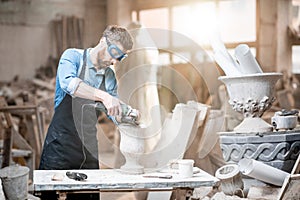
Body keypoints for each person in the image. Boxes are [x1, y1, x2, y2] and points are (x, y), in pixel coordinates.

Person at [38, 25, 134, 199]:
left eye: (119, 57)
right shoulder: (72, 57)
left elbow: (113, 110)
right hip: (61, 146)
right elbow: (71, 85)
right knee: (52, 194)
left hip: (88, 149)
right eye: (113, 53)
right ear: (103, 41)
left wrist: (129, 115)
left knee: (88, 196)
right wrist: (104, 96)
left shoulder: (109, 76)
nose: (114, 61)